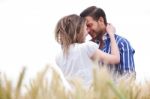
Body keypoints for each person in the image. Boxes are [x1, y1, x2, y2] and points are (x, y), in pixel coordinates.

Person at [55, 14, 120, 86]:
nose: (88, 31)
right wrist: (111, 34)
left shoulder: (58, 57)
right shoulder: (86, 48)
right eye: (85, 28)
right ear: (78, 30)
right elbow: (116, 58)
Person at [80, 6, 136, 78]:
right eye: (85, 27)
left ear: (101, 20)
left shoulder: (121, 43)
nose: (88, 30)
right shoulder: (87, 46)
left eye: (89, 25)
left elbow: (128, 76)